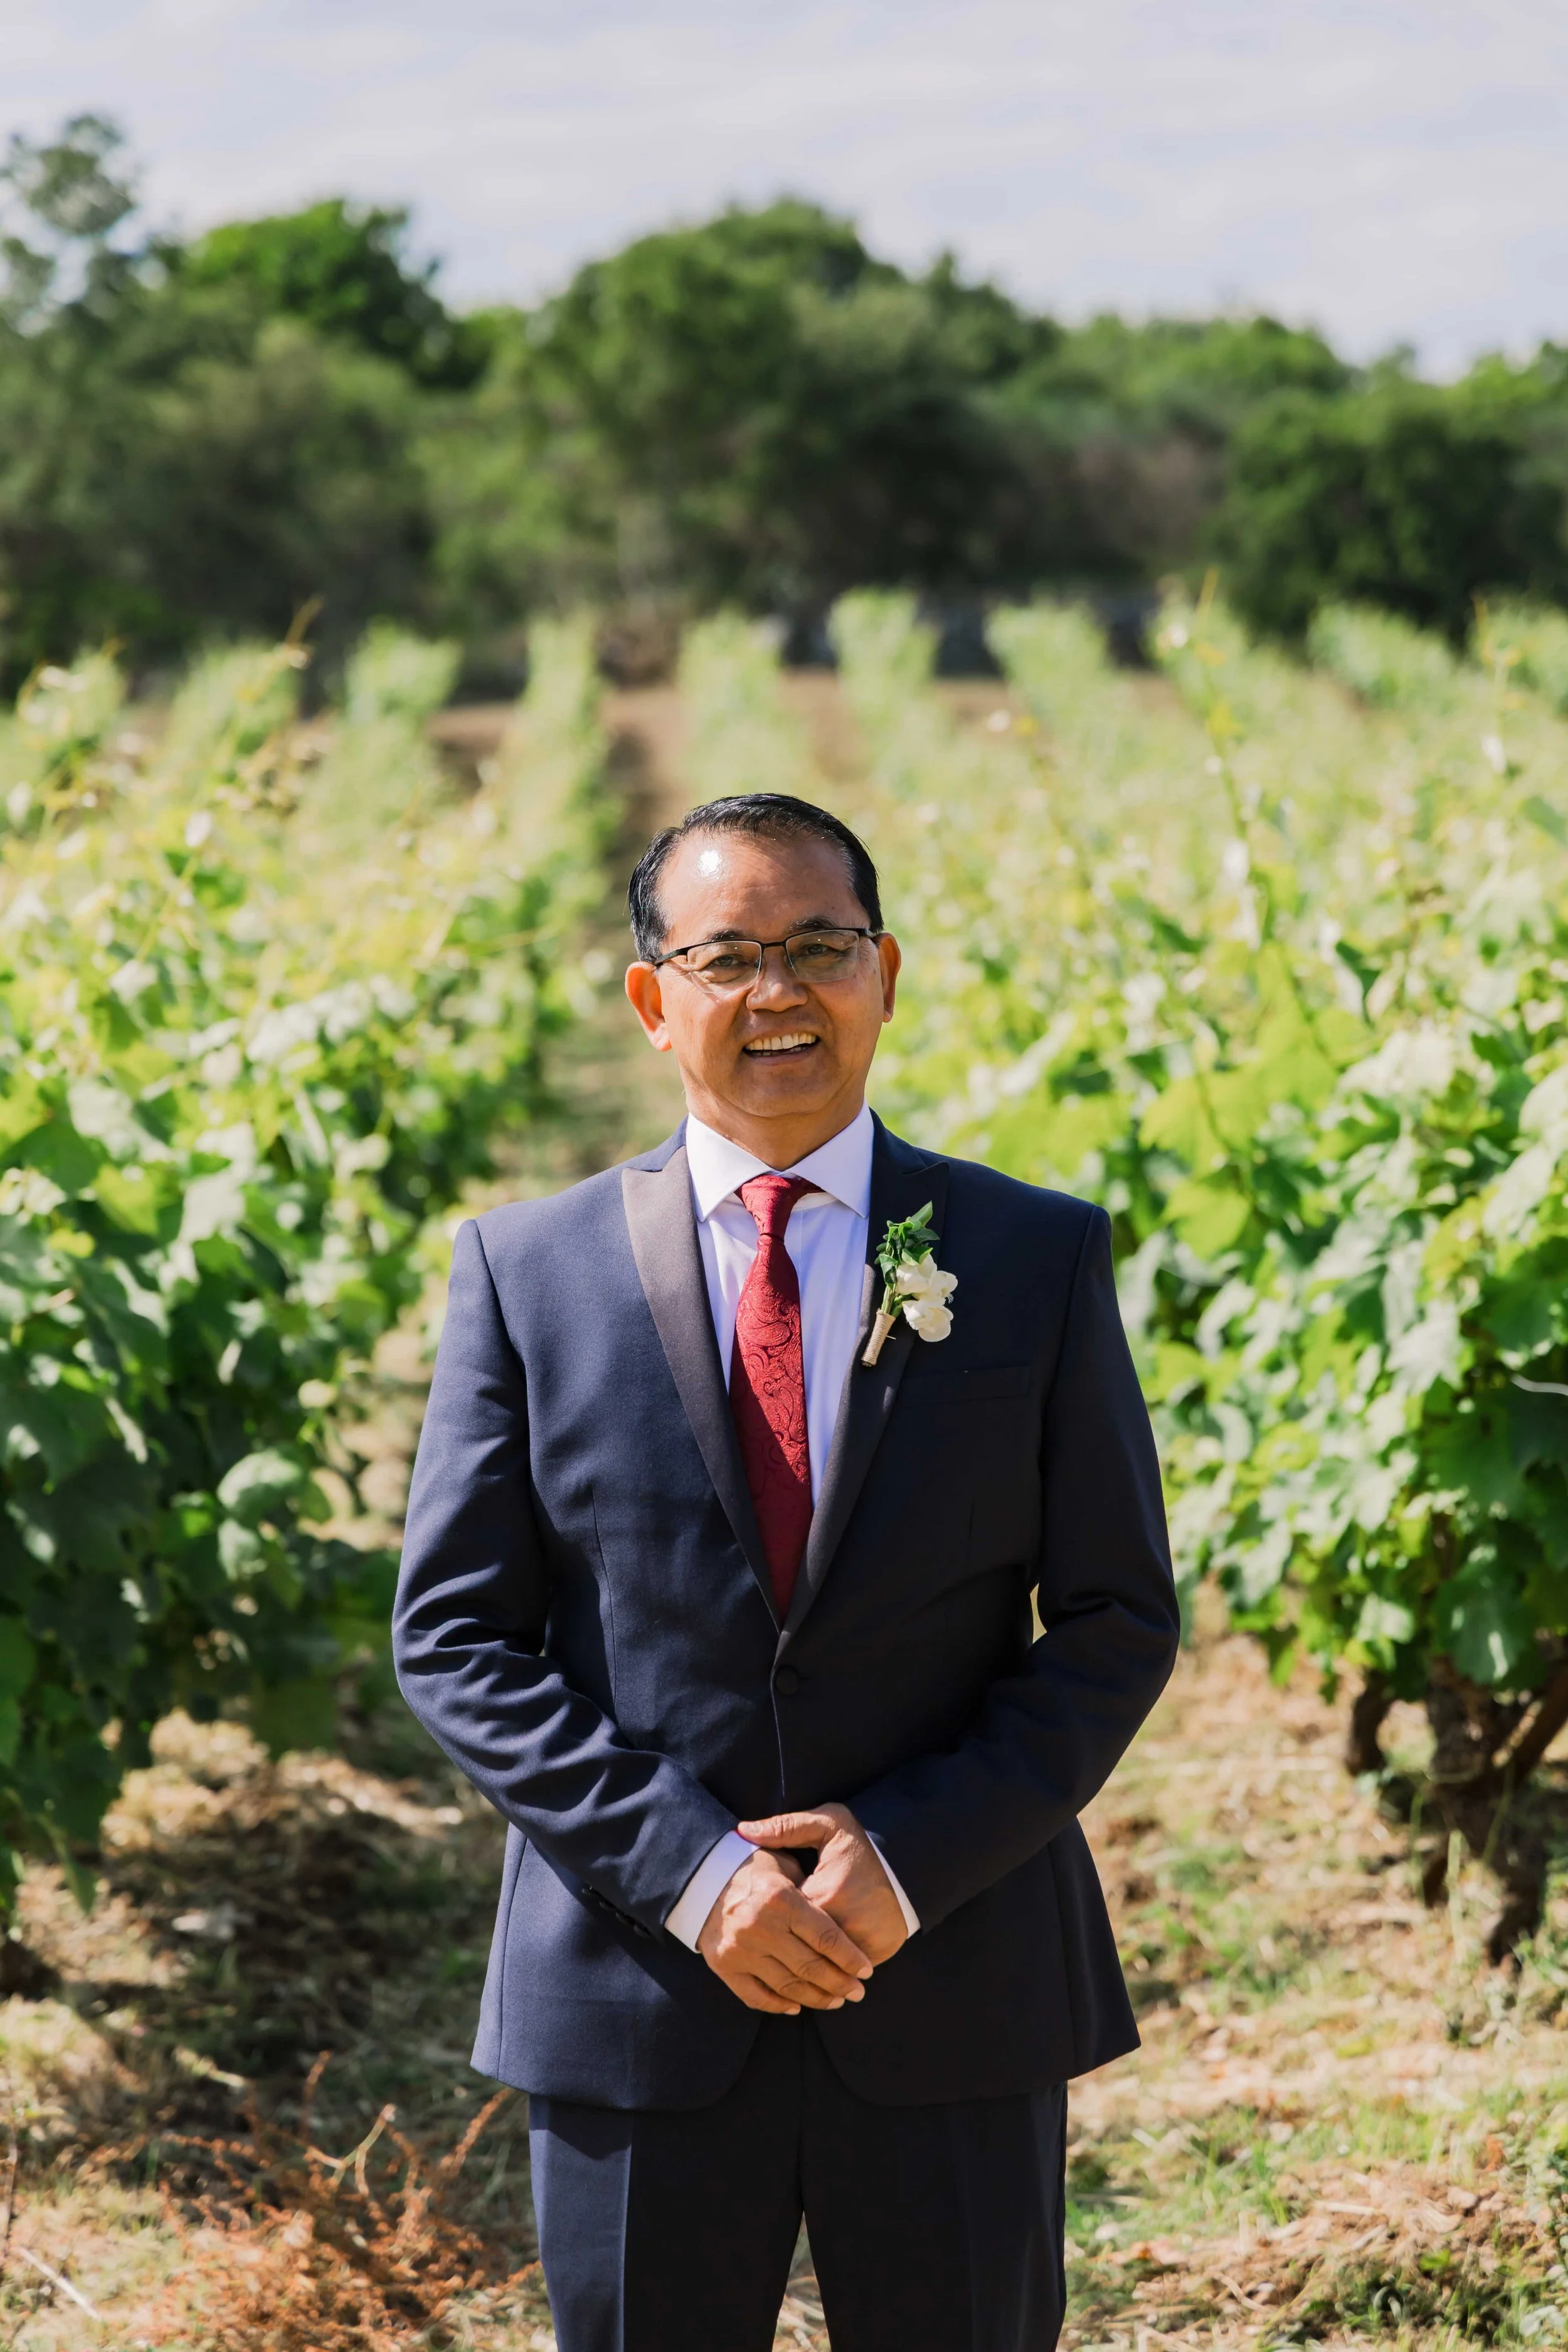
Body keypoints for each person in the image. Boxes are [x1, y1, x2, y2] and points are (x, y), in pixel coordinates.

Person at [393, 793, 1178, 2352]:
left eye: (818, 948)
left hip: (950, 1981)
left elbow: (1113, 1618)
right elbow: (457, 1640)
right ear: (650, 1000)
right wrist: (699, 1874)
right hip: (641, 1996)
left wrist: (902, 1863)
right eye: (727, 955)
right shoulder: (524, 1272)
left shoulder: (1028, 1254)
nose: (776, 994)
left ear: (884, 975)